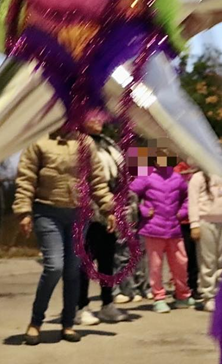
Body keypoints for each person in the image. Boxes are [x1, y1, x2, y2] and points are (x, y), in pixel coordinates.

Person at [14, 130, 115, 345]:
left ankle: (68, 323)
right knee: (54, 266)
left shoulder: (85, 143)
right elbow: (26, 178)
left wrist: (108, 209)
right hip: (47, 212)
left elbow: (97, 178)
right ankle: (35, 322)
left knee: (72, 269)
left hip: (78, 214)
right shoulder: (38, 142)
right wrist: (24, 211)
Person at [76, 115, 128, 325]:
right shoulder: (77, 142)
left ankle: (107, 304)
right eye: (93, 117)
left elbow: (127, 169)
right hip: (86, 208)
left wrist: (167, 156)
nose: (99, 120)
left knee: (107, 257)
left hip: (109, 208)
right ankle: (80, 307)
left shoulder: (108, 143)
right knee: (85, 259)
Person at [129, 147, 194, 313]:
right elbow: (129, 195)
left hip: (174, 229)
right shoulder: (145, 176)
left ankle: (182, 295)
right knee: (155, 266)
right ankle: (159, 298)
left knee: (181, 263)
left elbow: (188, 197)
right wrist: (143, 210)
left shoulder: (177, 178)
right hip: (153, 229)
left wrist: (182, 212)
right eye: (159, 156)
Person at [188, 169, 222, 312]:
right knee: (208, 260)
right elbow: (193, 202)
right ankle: (208, 296)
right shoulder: (198, 178)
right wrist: (194, 224)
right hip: (206, 222)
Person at [175, 161, 202, 302]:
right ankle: (180, 288)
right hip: (177, 221)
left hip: (195, 220)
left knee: (194, 256)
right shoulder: (176, 171)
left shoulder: (200, 172)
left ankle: (193, 286)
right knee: (180, 257)